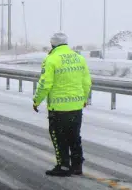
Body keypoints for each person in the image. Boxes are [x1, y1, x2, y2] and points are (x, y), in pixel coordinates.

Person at [32, 32, 93, 176]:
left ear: (52, 44)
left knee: (59, 137)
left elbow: (45, 84)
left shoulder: (51, 59)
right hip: (76, 106)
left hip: (58, 108)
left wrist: (37, 100)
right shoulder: (79, 58)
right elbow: (86, 82)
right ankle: (77, 166)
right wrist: (84, 99)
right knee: (74, 136)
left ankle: (64, 166)